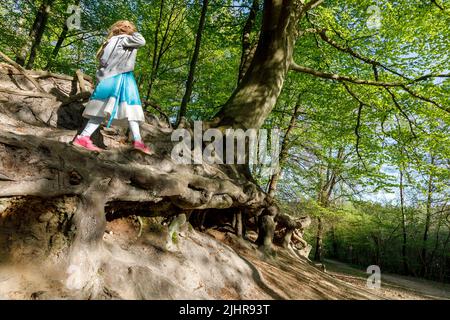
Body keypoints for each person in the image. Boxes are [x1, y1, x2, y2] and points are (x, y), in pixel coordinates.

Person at [72, 20, 151, 154]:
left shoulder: (109, 41)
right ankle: (138, 141)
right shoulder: (126, 39)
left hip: (107, 78)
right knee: (131, 108)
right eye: (127, 26)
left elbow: (103, 61)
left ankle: (83, 137)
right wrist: (132, 32)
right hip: (122, 77)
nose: (128, 28)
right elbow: (141, 41)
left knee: (101, 109)